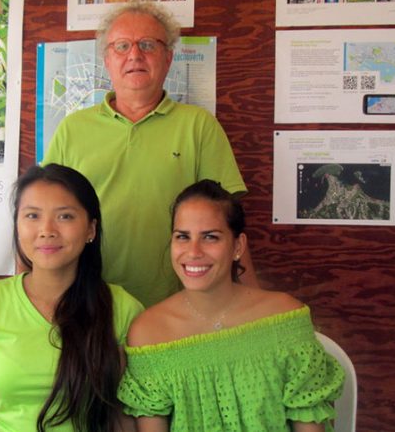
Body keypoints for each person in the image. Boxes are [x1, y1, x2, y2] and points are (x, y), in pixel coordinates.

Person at [43, 2, 255, 307]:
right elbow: (42, 215)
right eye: (121, 46)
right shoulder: (72, 129)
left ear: (168, 58)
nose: (134, 55)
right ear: (106, 60)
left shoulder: (198, 126)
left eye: (147, 44)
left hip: (179, 306)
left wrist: (253, 308)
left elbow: (229, 224)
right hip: (88, 305)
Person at [118, 180, 345, 432]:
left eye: (210, 237)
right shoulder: (148, 331)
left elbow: (308, 422)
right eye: (182, 236)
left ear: (238, 246)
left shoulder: (285, 317)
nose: (193, 252)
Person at [0, 163, 143, 432]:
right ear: (17, 225)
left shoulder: (122, 308)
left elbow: (123, 415)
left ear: (91, 229)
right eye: (32, 216)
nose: (47, 230)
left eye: (65, 217)